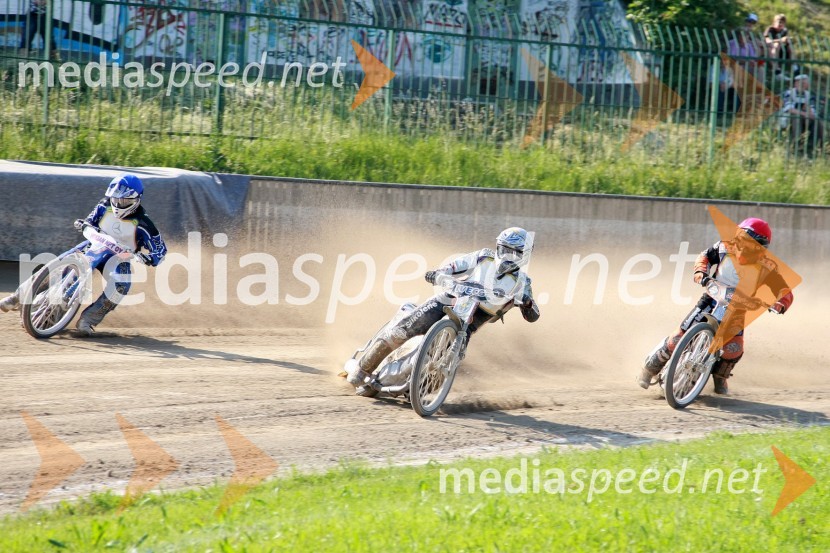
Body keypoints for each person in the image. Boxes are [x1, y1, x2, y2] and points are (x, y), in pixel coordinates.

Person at [345, 227, 541, 394]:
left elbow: (533, 316)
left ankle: (408, 388)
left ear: (524, 255)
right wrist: (440, 273)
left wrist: (527, 304)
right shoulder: (484, 256)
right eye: (504, 249)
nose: (507, 256)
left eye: (513, 252)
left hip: (470, 324)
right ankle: (363, 368)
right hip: (447, 299)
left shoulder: (523, 283)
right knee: (402, 330)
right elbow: (457, 265)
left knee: (439, 375)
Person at [637, 218, 794, 395]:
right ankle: (649, 369)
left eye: (748, 241)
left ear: (760, 246)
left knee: (733, 350)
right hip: (711, 298)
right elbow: (704, 257)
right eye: (740, 237)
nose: (742, 243)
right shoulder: (724, 247)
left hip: (738, 310)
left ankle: (720, 377)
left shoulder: (768, 266)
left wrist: (780, 303)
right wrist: (700, 272)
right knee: (677, 337)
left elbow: (784, 290)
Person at [0, 174, 167, 335]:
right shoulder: (104, 205)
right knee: (58, 265)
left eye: (123, 201)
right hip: (93, 246)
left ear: (136, 200)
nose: (117, 204)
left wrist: (149, 258)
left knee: (120, 286)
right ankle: (17, 296)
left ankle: (88, 320)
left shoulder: (146, 225)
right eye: (115, 199)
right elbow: (90, 220)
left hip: (119, 259)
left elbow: (160, 250)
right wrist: (84, 224)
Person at [780, 74, 825, 157]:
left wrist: (809, 110)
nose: (802, 86)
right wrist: (804, 113)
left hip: (804, 118)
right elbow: (789, 109)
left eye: (804, 84)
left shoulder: (808, 95)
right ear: (795, 84)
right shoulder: (789, 93)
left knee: (817, 121)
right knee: (797, 118)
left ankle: (818, 146)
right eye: (800, 83)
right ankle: (796, 146)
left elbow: (812, 110)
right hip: (788, 119)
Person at [764, 14, 795, 80]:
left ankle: (795, 67)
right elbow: (767, 41)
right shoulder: (770, 29)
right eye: (779, 22)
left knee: (790, 45)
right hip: (771, 51)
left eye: (782, 22)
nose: (780, 24)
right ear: (774, 22)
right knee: (776, 45)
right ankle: (777, 71)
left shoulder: (784, 31)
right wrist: (780, 40)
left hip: (782, 51)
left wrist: (787, 40)